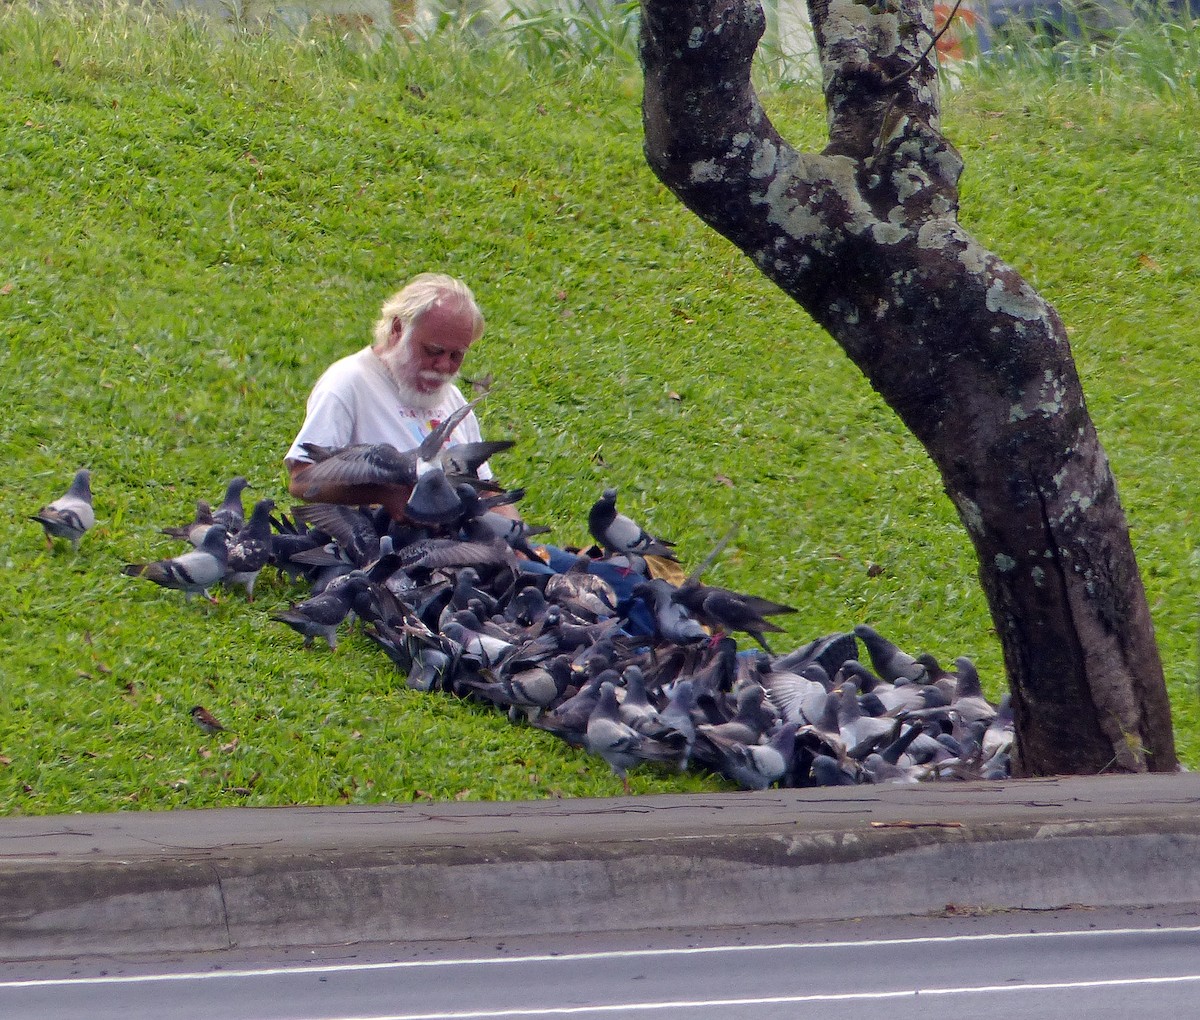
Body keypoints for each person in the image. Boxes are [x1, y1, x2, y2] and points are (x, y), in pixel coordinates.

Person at [284, 273, 497, 520]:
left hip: (468, 540)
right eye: (433, 351)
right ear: (397, 328)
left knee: (550, 559)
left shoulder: (452, 397)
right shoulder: (348, 382)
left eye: (456, 355)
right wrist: (383, 495)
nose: (443, 366)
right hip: (393, 547)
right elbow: (301, 479)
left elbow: (488, 490)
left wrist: (519, 537)